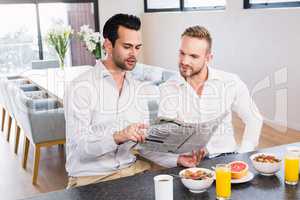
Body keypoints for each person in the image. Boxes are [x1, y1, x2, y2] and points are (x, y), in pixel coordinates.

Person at [64, 14, 205, 188]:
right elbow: (80, 150)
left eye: (137, 47)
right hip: (92, 179)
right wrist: (118, 137)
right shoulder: (81, 87)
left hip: (132, 171)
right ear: (108, 45)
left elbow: (142, 144)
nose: (134, 54)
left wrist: (177, 159)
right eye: (127, 47)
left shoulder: (137, 88)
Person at [158, 26, 263, 158]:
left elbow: (254, 119)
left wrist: (243, 154)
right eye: (182, 53)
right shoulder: (168, 88)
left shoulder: (230, 82)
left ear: (208, 58)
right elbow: (167, 134)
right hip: (188, 162)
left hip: (226, 157)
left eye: (193, 56)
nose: (184, 61)